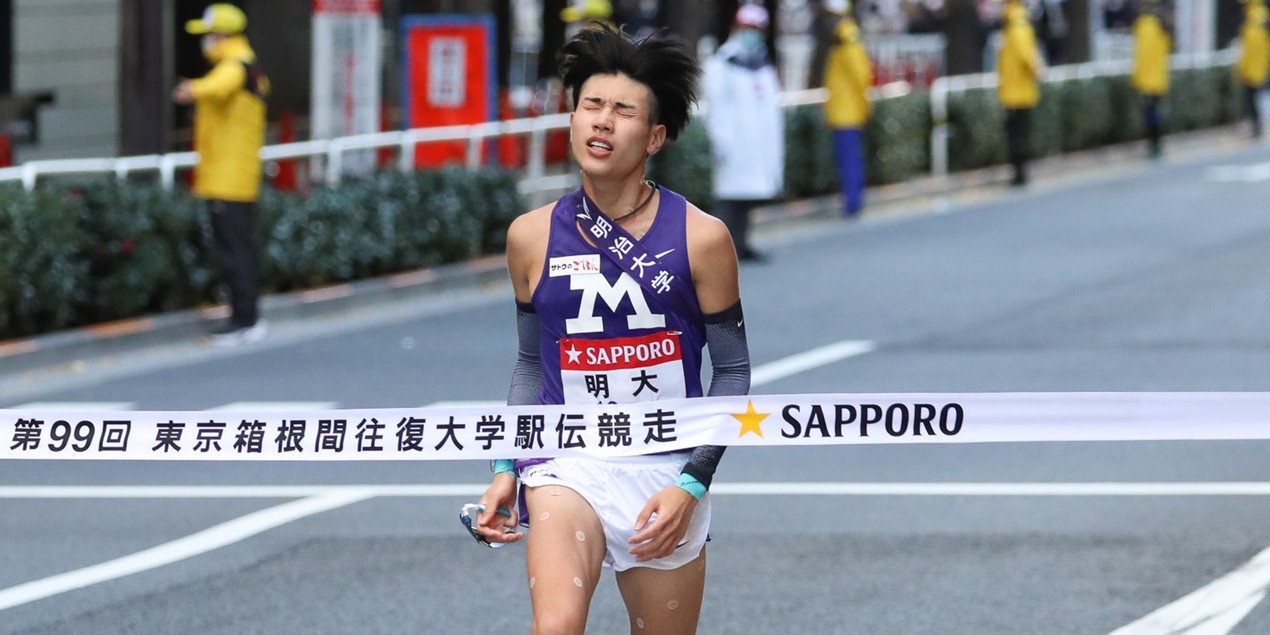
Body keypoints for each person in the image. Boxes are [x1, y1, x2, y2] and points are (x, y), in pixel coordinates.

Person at [475, 22, 751, 635]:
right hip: (565, 462)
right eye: (590, 105)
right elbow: (530, 364)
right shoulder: (530, 236)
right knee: (556, 627)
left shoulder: (703, 238)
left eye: (622, 111)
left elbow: (732, 369)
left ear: (654, 136)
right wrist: (505, 467)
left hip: (664, 471)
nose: (601, 121)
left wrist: (692, 483)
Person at [172, 3, 269, 347]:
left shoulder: (236, 66)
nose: (206, 41)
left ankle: (244, 320)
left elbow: (218, 85)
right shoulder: (246, 65)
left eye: (210, 34)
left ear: (224, 35)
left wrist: (191, 89)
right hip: (231, 175)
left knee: (234, 252)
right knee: (237, 249)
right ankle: (244, 317)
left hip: (229, 178)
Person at [703, 3, 784, 261]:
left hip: (757, 144)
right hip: (733, 142)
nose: (753, 33)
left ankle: (741, 243)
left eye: (758, 29)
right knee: (730, 197)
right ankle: (720, 251)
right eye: (749, 28)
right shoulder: (723, 62)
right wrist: (721, 140)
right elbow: (717, 105)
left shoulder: (761, 62)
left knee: (747, 197)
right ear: (737, 27)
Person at [822, 0, 873, 217]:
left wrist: (864, 108)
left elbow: (861, 77)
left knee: (849, 160)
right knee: (850, 160)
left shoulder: (847, 38)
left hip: (847, 113)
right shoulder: (843, 37)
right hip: (845, 111)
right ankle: (853, 201)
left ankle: (853, 203)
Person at [996, 0, 1042, 186]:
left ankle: (1020, 173)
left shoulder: (1015, 21)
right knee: (1019, 132)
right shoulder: (1016, 20)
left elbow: (1025, 54)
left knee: (1017, 134)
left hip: (1016, 90)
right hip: (1018, 88)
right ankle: (1020, 172)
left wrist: (1036, 68)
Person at [1131, 0, 1171, 158]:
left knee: (1150, 114)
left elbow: (1142, 56)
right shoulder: (1159, 27)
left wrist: (1137, 77)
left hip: (1147, 80)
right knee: (1154, 113)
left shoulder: (1144, 26)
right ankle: (1156, 144)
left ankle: (1154, 145)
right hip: (1159, 78)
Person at [1236, 0, 1269, 139]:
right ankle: (1256, 126)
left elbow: (1250, 48)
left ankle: (1256, 127)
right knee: (1253, 98)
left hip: (1253, 68)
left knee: (1252, 99)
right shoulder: (1259, 17)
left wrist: (1244, 68)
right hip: (1258, 67)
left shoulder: (1254, 19)